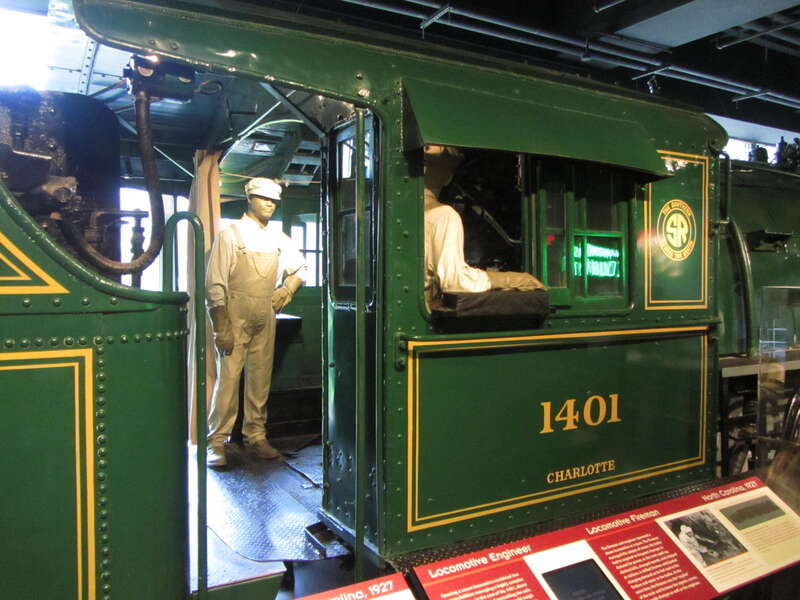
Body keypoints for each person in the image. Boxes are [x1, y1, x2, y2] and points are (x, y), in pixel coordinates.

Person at [205, 177, 307, 468]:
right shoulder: (230, 235)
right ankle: (216, 440)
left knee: (260, 379)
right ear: (249, 199)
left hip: (266, 312)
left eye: (273, 201)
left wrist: (288, 289)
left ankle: (256, 436)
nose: (269, 205)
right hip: (235, 311)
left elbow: (302, 267)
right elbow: (215, 283)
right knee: (228, 379)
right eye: (263, 199)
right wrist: (221, 327)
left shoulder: (278, 237)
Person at [423, 144, 543, 309]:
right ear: (448, 177)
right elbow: (455, 281)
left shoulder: (409, 213)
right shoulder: (444, 215)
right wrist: (511, 279)